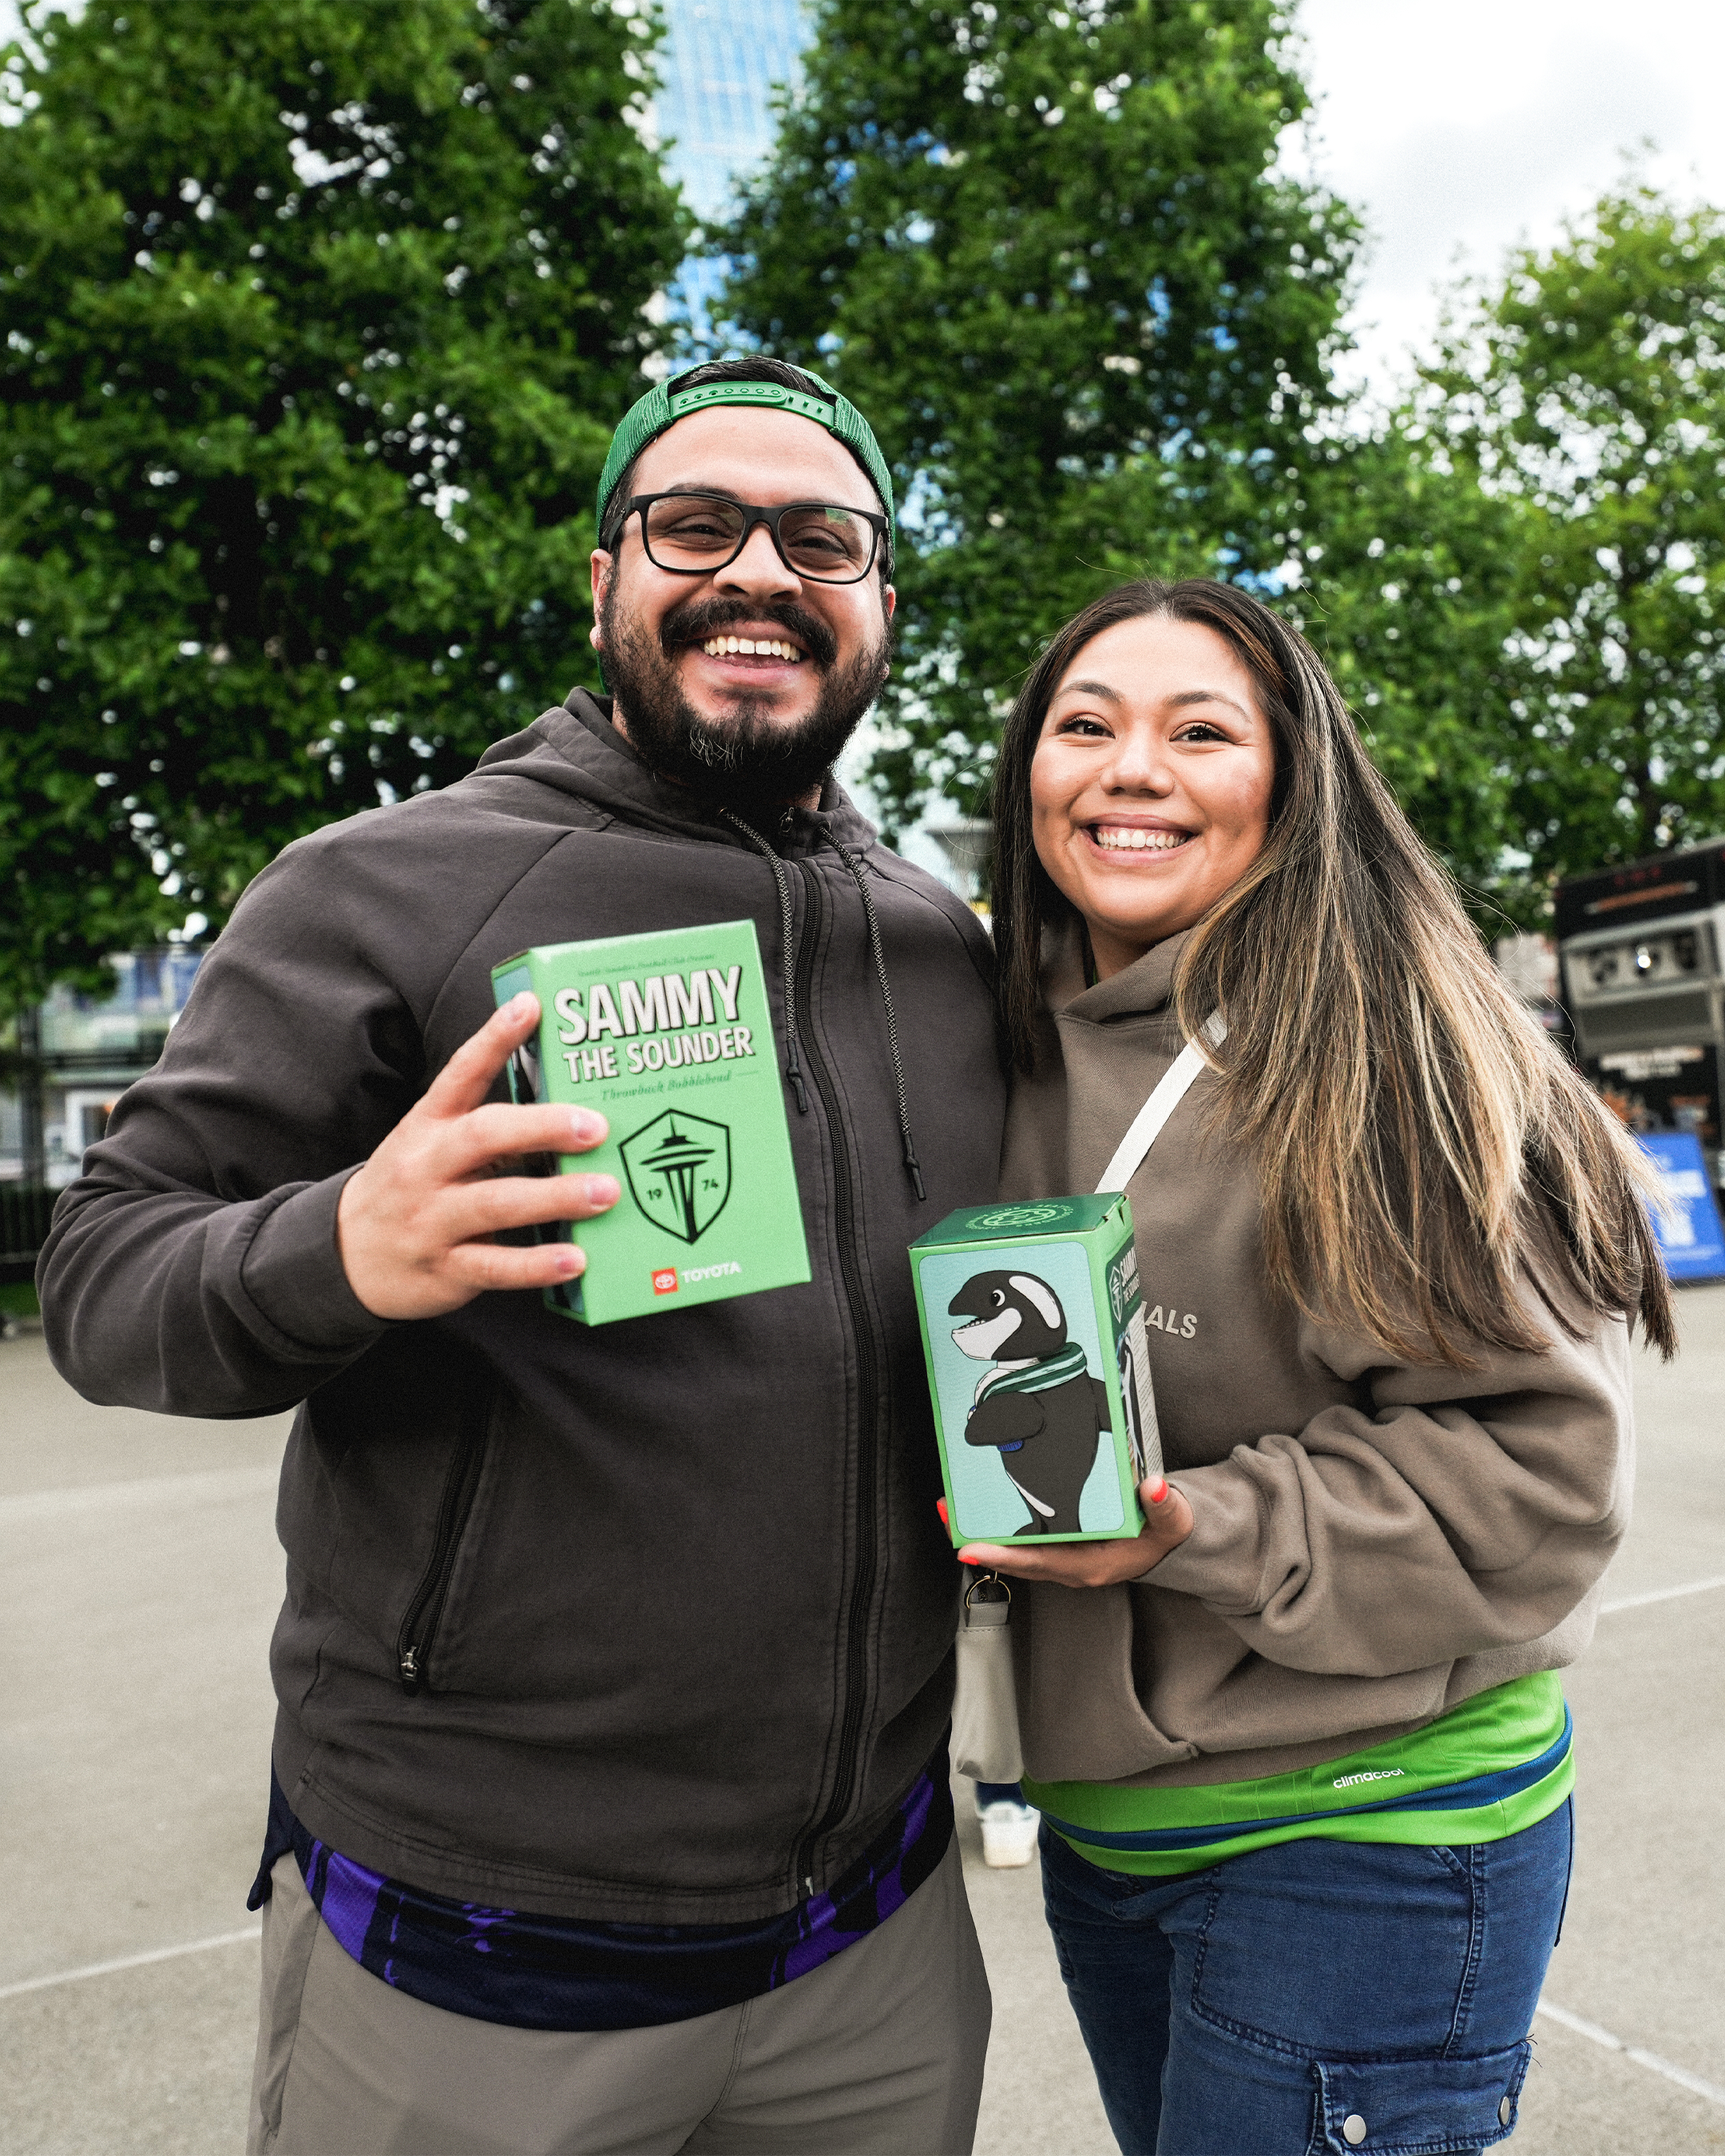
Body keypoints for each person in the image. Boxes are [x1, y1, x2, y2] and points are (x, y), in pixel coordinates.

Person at [38, 357, 1005, 2156]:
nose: (761, 573)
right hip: (479, 1949)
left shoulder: (945, 945)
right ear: (603, 578)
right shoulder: (385, 886)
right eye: (695, 524)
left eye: (824, 537)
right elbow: (103, 1275)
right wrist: (340, 1247)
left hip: (873, 1934)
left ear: (880, 601)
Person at [957, 577, 1674, 2156]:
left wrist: (1194, 1529)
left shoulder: (1380, 1048)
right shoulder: (986, 1029)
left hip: (1366, 1836)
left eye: (1198, 730)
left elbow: (1541, 1479)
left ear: (1290, 780)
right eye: (1086, 725)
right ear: (1025, 774)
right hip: (1111, 1832)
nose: (1131, 768)